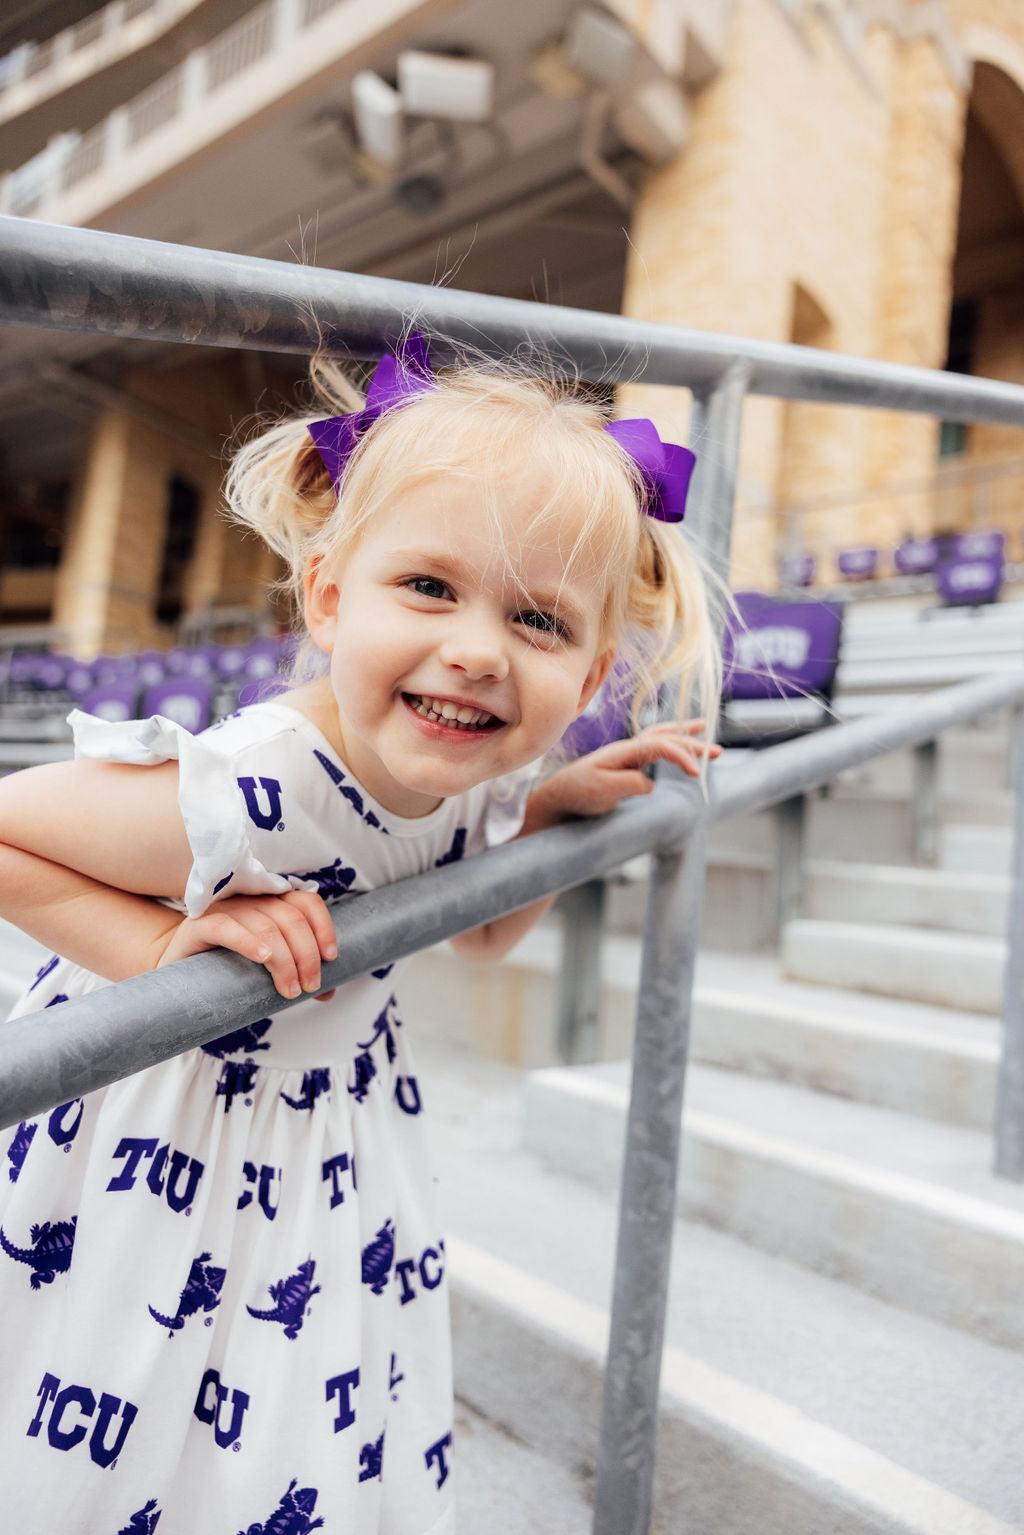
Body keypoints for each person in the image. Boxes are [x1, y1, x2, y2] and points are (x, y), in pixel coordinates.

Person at [0, 335, 723, 1534]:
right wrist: (156, 957)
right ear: (331, 594)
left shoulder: (479, 771)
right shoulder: (253, 789)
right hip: (148, 1141)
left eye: (537, 620)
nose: (479, 648)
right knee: (119, 1422)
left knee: (289, 1438)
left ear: (592, 667)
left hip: (328, 1151)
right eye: (429, 587)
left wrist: (544, 811)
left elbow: (483, 940)